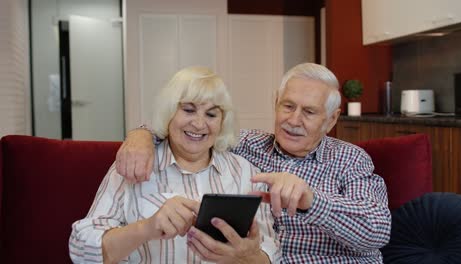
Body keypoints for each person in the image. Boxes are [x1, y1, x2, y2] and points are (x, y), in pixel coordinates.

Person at [116, 63, 392, 263]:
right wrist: (140, 135)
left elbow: (378, 231)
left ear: (331, 119)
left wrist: (312, 200)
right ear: (275, 103)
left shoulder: (350, 159)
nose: (293, 120)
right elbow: (192, 129)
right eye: (287, 106)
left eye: (309, 112)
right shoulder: (246, 144)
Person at [69, 66, 279, 264]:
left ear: (222, 121)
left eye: (211, 114)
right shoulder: (134, 164)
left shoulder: (245, 172)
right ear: (169, 112)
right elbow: (81, 249)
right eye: (188, 110)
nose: (198, 124)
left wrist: (249, 258)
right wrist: (146, 228)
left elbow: (271, 249)